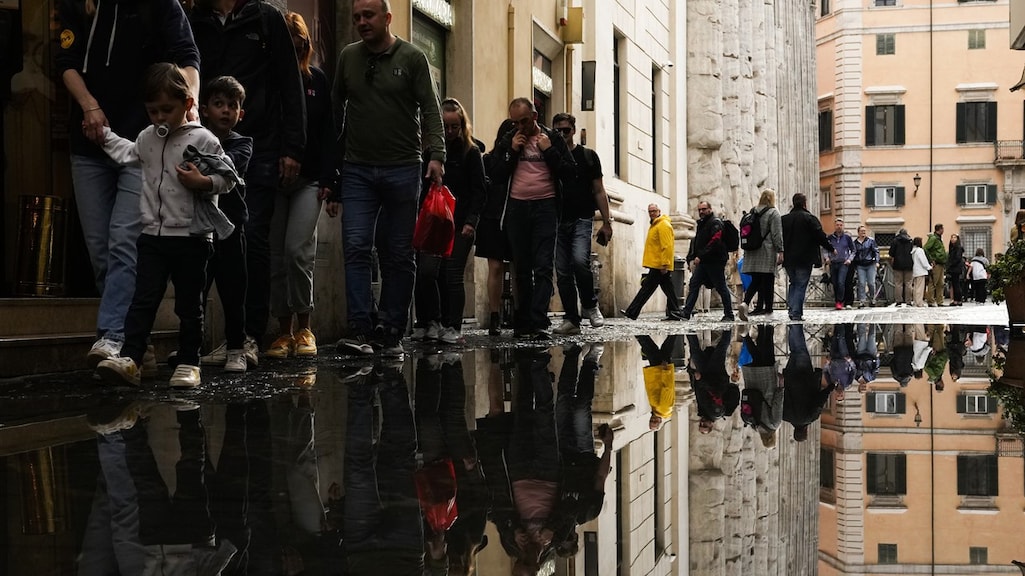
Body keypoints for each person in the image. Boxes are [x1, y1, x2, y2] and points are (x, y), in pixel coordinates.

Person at [56, 0, 200, 368]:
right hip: (90, 142)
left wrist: (192, 103)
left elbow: (188, 57)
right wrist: (89, 105)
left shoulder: (161, 5)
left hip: (143, 144)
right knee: (100, 250)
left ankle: (115, 338)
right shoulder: (78, 5)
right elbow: (66, 63)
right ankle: (137, 341)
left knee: (124, 241)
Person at [94, 63, 241, 388]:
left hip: (192, 237)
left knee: (189, 305)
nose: (160, 117)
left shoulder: (203, 139)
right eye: (153, 111)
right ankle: (132, 359)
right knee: (143, 300)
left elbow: (228, 178)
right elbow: (130, 153)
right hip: (152, 235)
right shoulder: (147, 137)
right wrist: (104, 136)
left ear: (187, 104)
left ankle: (189, 362)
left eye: (167, 109)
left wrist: (203, 182)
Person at [190, 0, 307, 361]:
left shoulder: (266, 18)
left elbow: (290, 85)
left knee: (252, 237)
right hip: (203, 147)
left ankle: (249, 336)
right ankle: (199, 339)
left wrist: (293, 149)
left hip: (258, 148)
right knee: (204, 240)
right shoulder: (197, 19)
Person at [329, 0, 446, 356]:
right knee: (356, 246)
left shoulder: (412, 58)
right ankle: (360, 328)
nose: (362, 22)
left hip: (403, 168)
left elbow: (431, 108)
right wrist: (332, 163)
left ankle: (391, 329)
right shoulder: (348, 57)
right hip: (357, 169)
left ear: (387, 18)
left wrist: (437, 156)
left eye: (369, 16)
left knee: (398, 252)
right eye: (357, 18)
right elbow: (335, 108)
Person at [263, 13, 336, 359]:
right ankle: (284, 331)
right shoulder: (267, 81)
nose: (295, 54)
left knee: (297, 251)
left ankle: (305, 326)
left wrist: (329, 178)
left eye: (300, 46)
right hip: (273, 178)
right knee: (276, 257)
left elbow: (328, 131)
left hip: (309, 179)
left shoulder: (316, 80)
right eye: (288, 48)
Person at [489, 97, 576, 339]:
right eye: (515, 122)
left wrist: (549, 151)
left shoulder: (552, 138)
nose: (520, 127)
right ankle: (524, 322)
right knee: (522, 267)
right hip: (517, 208)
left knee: (544, 266)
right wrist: (511, 151)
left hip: (545, 207)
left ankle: (539, 321)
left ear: (535, 117)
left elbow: (570, 173)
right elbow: (495, 173)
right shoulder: (510, 138)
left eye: (524, 121)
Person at [411, 98, 487, 345]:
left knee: (452, 273)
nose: (451, 131)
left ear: (462, 126)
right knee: (427, 272)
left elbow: (479, 191)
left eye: (455, 126)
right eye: (446, 126)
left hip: (460, 222)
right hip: (434, 222)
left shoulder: (470, 152)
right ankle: (430, 321)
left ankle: (452, 325)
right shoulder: (429, 152)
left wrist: (471, 222)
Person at [197, 76, 253, 373]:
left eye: (232, 105)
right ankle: (190, 347)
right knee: (195, 291)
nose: (226, 110)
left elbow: (227, 166)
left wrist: (200, 165)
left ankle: (236, 349)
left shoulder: (242, 144)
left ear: (240, 113)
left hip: (231, 229)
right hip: (199, 229)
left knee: (233, 293)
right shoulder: (193, 138)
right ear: (204, 109)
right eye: (219, 104)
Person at [551, 112, 614, 335]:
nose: (562, 134)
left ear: (574, 131)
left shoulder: (588, 156)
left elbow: (599, 190)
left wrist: (607, 221)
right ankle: (571, 318)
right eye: (557, 130)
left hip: (582, 218)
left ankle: (590, 305)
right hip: (557, 219)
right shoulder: (550, 155)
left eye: (566, 130)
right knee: (562, 271)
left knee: (579, 261)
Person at [476, 119, 518, 335]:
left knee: (518, 268)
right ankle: (495, 315)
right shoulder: (490, 159)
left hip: (515, 217)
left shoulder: (524, 161)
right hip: (493, 218)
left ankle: (519, 314)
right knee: (495, 268)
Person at [621, 204, 685, 320]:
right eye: (650, 211)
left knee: (646, 289)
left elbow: (667, 246)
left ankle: (632, 312)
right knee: (668, 289)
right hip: (657, 264)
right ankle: (675, 312)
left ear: (659, 211)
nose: (651, 213)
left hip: (659, 265)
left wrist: (665, 264)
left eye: (654, 211)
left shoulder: (663, 225)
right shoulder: (656, 225)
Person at [781, 193, 833, 321]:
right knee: (801, 285)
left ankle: (792, 309)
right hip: (805, 258)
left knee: (793, 283)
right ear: (804, 203)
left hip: (789, 258)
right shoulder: (810, 218)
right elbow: (820, 236)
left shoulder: (784, 219)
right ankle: (796, 312)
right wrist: (831, 248)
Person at [680, 201, 735, 321]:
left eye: (704, 209)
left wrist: (700, 256)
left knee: (721, 287)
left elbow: (715, 241)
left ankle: (729, 314)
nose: (701, 212)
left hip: (715, 261)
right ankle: (686, 312)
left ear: (710, 209)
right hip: (705, 261)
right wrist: (695, 256)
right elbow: (699, 242)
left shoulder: (715, 223)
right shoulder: (702, 223)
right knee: (694, 284)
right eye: (699, 209)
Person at [782, 324, 834, 442]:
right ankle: (792, 326)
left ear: (806, 431)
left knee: (800, 350)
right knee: (794, 352)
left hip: (806, 377)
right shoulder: (785, 416)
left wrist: (830, 388)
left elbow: (820, 401)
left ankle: (795, 323)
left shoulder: (811, 417)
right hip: (790, 377)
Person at [738, 188, 784, 320]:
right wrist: (780, 250)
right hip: (766, 251)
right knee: (768, 280)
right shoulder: (773, 212)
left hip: (752, 251)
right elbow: (776, 234)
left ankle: (746, 303)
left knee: (756, 280)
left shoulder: (753, 211)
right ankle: (768, 311)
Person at [739, 324, 784, 448]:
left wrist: (781, 385)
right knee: (757, 357)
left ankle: (767, 326)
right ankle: (748, 335)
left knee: (768, 350)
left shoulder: (775, 424)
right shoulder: (754, 425)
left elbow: (777, 403)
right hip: (752, 381)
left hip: (767, 383)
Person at [688, 329, 739, 433]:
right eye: (705, 426)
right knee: (721, 349)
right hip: (716, 375)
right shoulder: (716, 412)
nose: (702, 423)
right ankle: (728, 327)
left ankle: (689, 328)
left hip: (704, 374)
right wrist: (701, 380)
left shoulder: (702, 411)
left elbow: (699, 393)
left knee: (695, 351)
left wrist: (693, 376)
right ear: (711, 425)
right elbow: (716, 392)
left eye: (701, 425)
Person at [636, 335, 681, 430]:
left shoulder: (657, 410)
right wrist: (665, 370)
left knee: (666, 347)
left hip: (657, 371)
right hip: (659, 370)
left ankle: (676, 328)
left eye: (651, 421)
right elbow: (667, 388)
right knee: (649, 346)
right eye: (655, 421)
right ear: (660, 421)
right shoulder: (665, 409)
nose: (653, 419)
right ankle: (637, 330)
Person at [824, 218, 855, 310]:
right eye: (837, 225)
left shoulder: (847, 238)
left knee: (841, 282)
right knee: (835, 283)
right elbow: (825, 248)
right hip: (833, 263)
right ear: (835, 226)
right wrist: (826, 257)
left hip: (843, 263)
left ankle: (839, 302)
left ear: (843, 226)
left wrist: (849, 259)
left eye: (841, 225)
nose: (839, 227)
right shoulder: (830, 238)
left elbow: (853, 250)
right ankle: (837, 300)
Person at [853, 225, 880, 307]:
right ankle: (862, 300)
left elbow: (876, 251)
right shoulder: (855, 243)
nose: (863, 232)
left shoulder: (871, 241)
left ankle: (872, 299)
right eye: (862, 231)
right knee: (861, 283)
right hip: (860, 265)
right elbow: (854, 253)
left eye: (864, 231)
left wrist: (877, 261)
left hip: (870, 264)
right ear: (858, 232)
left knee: (871, 283)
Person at [923, 223, 947, 306]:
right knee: (933, 282)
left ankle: (940, 301)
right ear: (940, 229)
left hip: (941, 263)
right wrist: (931, 259)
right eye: (942, 229)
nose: (943, 230)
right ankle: (930, 301)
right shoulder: (933, 238)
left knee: (941, 283)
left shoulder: (938, 238)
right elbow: (925, 248)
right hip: (936, 263)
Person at [889, 228, 914, 307]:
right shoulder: (910, 241)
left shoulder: (895, 241)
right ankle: (908, 301)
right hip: (909, 264)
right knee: (908, 283)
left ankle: (898, 301)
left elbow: (891, 253)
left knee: (898, 283)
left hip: (897, 264)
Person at [945, 232, 965, 306]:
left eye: (954, 237)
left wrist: (950, 264)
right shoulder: (952, 248)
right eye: (952, 237)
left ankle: (958, 300)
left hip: (955, 268)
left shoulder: (958, 248)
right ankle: (956, 299)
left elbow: (957, 258)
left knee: (956, 284)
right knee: (954, 284)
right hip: (953, 268)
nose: (953, 239)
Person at [911, 237, 931, 307]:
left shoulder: (913, 251)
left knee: (916, 287)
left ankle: (915, 301)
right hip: (921, 271)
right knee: (920, 288)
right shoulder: (920, 250)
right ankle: (919, 302)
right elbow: (923, 261)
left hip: (915, 271)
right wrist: (929, 267)